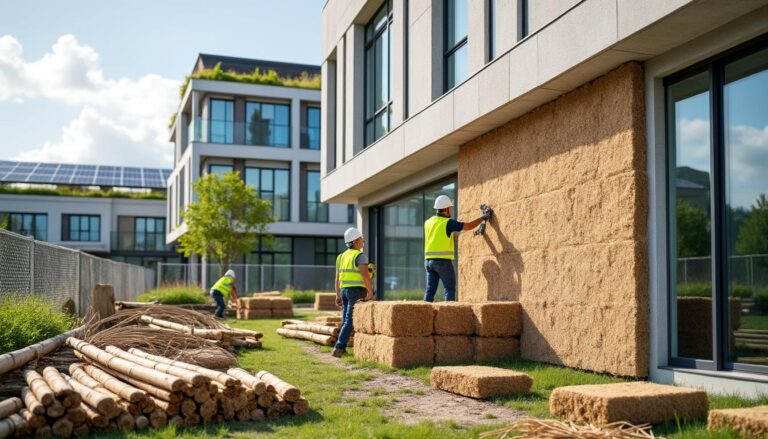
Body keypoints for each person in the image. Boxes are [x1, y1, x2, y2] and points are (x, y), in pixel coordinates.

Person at [423, 195, 489, 302]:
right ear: (446, 209)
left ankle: (423, 315)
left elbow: (438, 236)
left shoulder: (428, 222)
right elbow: (467, 226)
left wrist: (453, 236)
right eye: (450, 208)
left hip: (428, 262)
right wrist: (483, 217)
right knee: (449, 289)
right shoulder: (447, 222)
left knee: (430, 290)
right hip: (443, 262)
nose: (451, 211)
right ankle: (449, 317)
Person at [331, 227, 373, 358]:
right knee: (349, 321)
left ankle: (341, 347)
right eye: (362, 239)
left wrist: (337, 294)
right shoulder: (360, 256)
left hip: (344, 291)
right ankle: (338, 347)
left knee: (345, 321)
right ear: (356, 241)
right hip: (355, 292)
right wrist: (370, 292)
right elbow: (365, 276)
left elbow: (337, 278)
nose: (363, 241)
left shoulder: (341, 257)